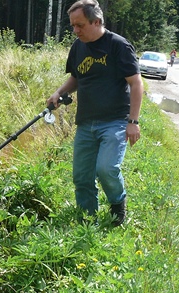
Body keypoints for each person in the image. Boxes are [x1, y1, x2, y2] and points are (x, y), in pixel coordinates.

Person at [46, 0, 143, 226]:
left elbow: (136, 83)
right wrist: (59, 93)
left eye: (79, 25)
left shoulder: (118, 45)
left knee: (106, 169)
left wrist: (133, 122)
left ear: (96, 21)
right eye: (72, 26)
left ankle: (118, 202)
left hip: (115, 121)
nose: (75, 30)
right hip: (86, 123)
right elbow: (76, 78)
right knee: (82, 177)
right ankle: (87, 219)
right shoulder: (77, 46)